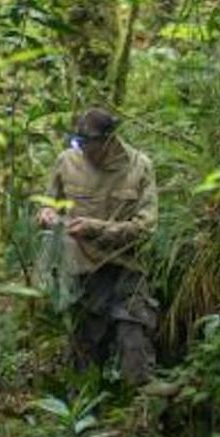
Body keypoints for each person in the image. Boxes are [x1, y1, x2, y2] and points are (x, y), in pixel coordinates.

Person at [38, 107, 158, 383]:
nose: (79, 148)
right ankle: (87, 409)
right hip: (81, 269)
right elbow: (49, 203)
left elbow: (146, 227)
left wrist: (96, 228)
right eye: (76, 141)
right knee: (86, 349)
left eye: (85, 142)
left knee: (134, 337)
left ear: (107, 139)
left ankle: (141, 411)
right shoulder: (66, 162)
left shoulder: (140, 166)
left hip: (125, 265)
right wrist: (46, 215)